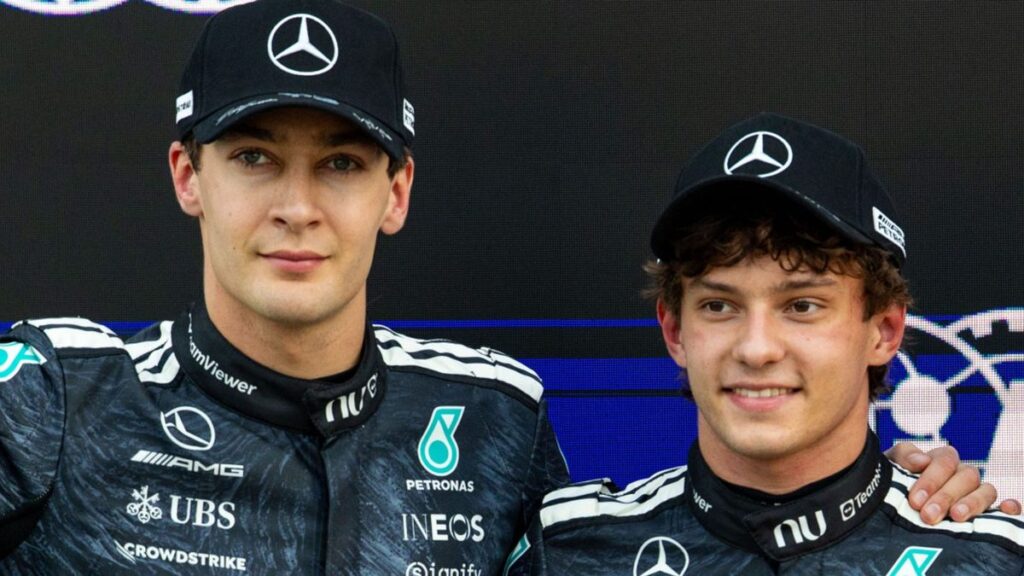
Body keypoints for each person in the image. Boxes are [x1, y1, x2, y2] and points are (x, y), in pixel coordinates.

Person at [0, 2, 1007, 573]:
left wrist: (905, 499)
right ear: (188, 176)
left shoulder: (495, 417)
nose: (297, 207)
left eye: (341, 164)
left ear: (397, 190)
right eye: (256, 158)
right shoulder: (56, 392)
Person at [504, 113, 1024, 575]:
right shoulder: (569, 552)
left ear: (883, 331)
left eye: (802, 305)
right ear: (675, 331)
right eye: (719, 306)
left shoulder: (992, 559)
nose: (756, 350)